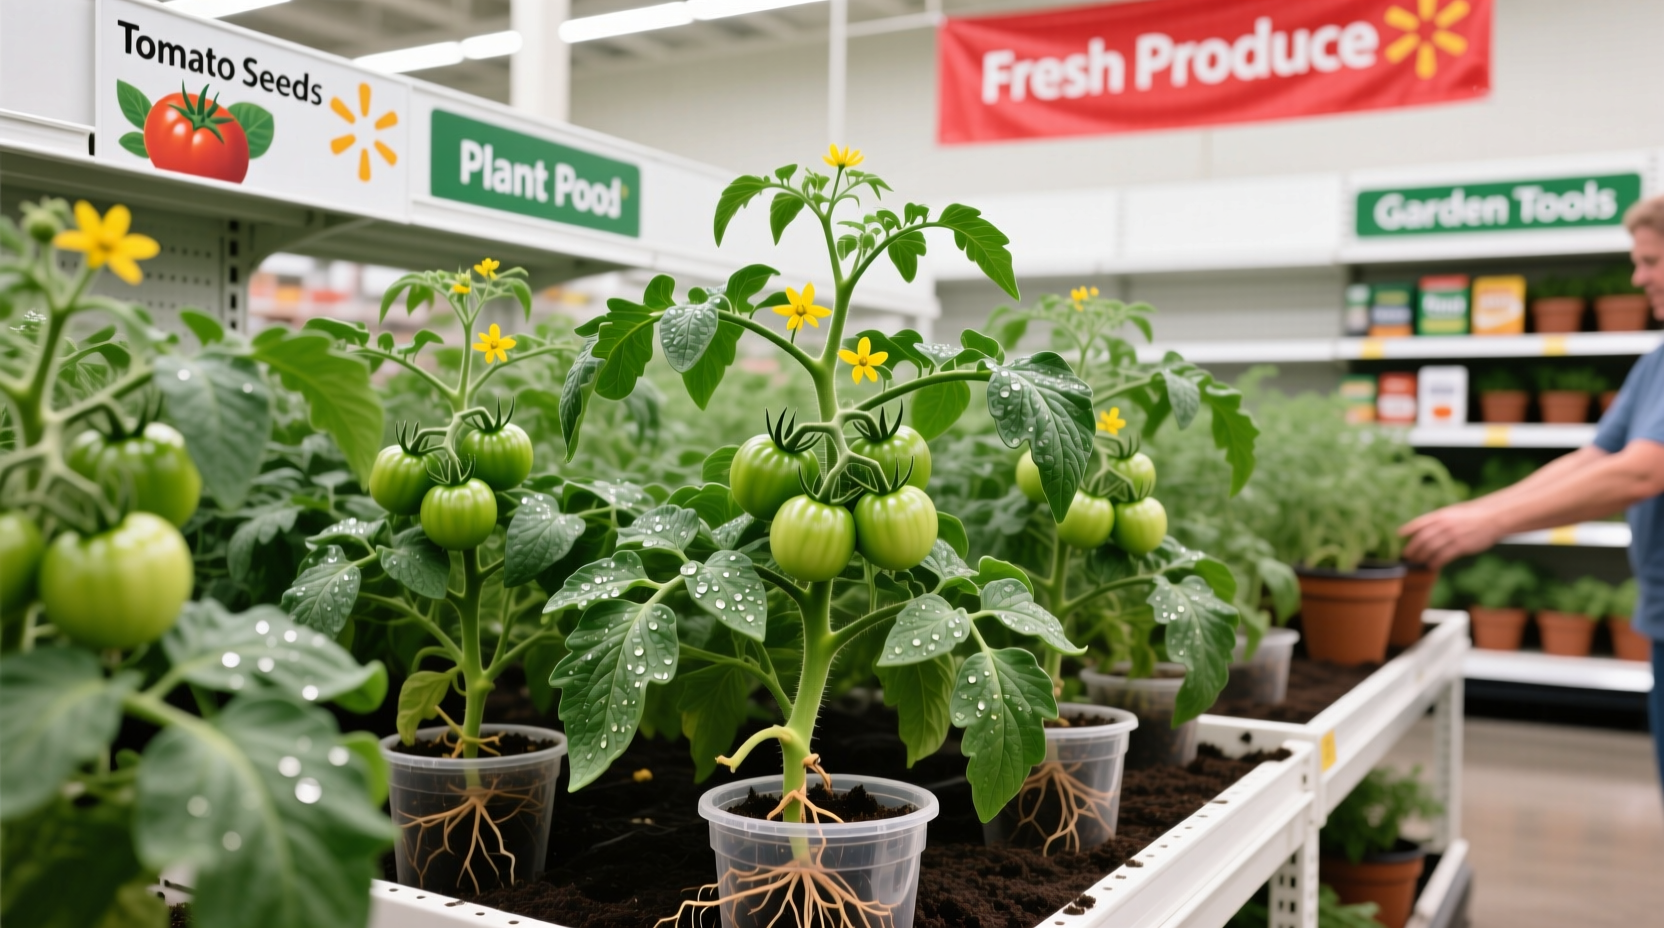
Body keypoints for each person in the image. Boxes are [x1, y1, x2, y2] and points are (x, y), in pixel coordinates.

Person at [1400, 192, 1664, 780]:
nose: (1637, 275)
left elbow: (1644, 470)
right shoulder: (1656, 362)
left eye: (1650, 260)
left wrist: (1490, 524)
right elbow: (1594, 457)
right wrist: (1475, 511)